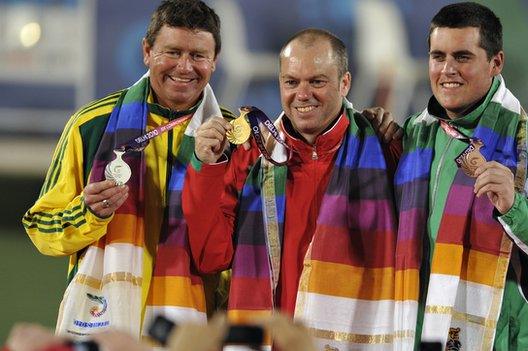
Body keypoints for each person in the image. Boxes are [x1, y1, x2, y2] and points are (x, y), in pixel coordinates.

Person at [182, 28, 407, 349]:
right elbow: (210, 257)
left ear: (345, 83)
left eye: (317, 81)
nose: (302, 94)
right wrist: (207, 169)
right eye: (291, 82)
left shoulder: (386, 150)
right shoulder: (250, 153)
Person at [394, 2, 528, 350]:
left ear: (496, 63)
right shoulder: (416, 133)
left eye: (462, 57)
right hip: (427, 338)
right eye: (437, 56)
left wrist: (515, 208)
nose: (447, 70)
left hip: (511, 342)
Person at [22, 0, 231, 339]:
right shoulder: (91, 125)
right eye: (172, 52)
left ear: (215, 61)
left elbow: (241, 252)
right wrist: (87, 211)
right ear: (147, 50)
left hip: (192, 331)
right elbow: (41, 228)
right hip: (105, 326)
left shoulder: (234, 137)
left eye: (198, 56)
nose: (184, 66)